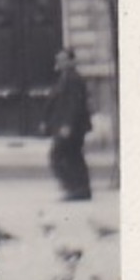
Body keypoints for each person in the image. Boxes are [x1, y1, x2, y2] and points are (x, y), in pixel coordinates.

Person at [43, 47, 92, 201]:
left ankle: (76, 188)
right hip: (66, 126)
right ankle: (79, 188)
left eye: (63, 60)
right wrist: (47, 121)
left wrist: (67, 125)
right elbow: (57, 102)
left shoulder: (73, 79)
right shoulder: (64, 78)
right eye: (58, 60)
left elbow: (74, 105)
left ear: (72, 61)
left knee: (60, 156)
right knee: (72, 156)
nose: (59, 63)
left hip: (71, 127)